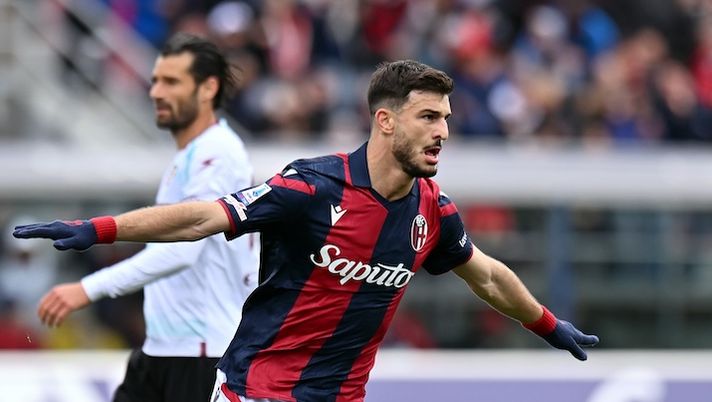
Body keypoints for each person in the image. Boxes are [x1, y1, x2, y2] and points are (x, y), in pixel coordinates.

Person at [14, 59, 598, 402]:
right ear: (385, 121)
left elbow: (488, 275)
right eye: (428, 117)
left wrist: (548, 326)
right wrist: (99, 229)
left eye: (446, 118)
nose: (442, 130)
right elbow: (201, 215)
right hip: (259, 392)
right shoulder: (312, 188)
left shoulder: (432, 212)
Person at [29, 32, 260, 402]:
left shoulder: (217, 154)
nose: (156, 92)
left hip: (201, 354)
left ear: (207, 88)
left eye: (171, 82)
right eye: (155, 81)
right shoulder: (191, 156)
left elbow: (183, 249)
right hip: (165, 349)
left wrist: (88, 287)